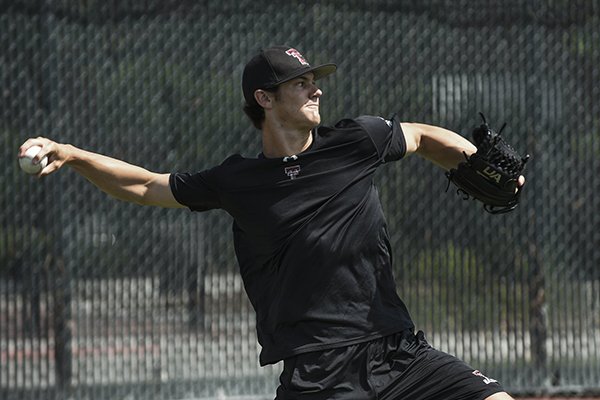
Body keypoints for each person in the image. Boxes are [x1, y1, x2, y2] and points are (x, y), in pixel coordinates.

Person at [19, 45, 523, 400]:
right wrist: (71, 154)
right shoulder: (238, 181)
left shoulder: (357, 142)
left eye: (314, 81)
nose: (315, 90)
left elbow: (419, 136)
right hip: (320, 373)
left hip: (399, 351)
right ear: (265, 98)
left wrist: (475, 159)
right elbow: (147, 185)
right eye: (300, 83)